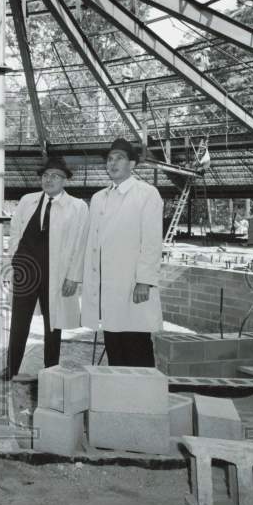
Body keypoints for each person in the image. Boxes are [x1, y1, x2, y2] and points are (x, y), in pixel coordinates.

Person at [2, 156, 89, 381]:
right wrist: (15, 259)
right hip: (26, 272)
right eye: (45, 175)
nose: (49, 180)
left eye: (55, 176)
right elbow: (15, 231)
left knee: (54, 325)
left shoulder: (77, 207)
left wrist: (73, 276)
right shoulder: (26, 201)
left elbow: (81, 243)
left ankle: (51, 371)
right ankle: (11, 369)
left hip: (56, 275)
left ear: (64, 180)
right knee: (19, 323)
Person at [81, 138, 163, 367]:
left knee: (136, 344)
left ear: (132, 165)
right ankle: (117, 399)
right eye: (110, 159)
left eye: (120, 158)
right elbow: (94, 243)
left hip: (132, 285)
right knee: (114, 345)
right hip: (107, 289)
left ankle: (143, 401)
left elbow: (152, 241)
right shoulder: (98, 198)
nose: (113, 163)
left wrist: (144, 281)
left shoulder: (147, 194)